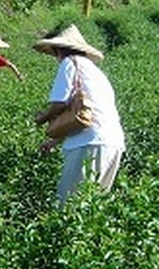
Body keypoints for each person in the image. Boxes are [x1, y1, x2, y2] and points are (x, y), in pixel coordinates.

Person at [33, 24, 126, 205]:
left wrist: (42, 118)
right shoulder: (95, 73)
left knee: (69, 207)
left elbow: (59, 103)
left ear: (59, 50)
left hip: (89, 144)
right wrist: (55, 141)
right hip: (112, 143)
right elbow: (85, 115)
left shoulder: (70, 63)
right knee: (93, 207)